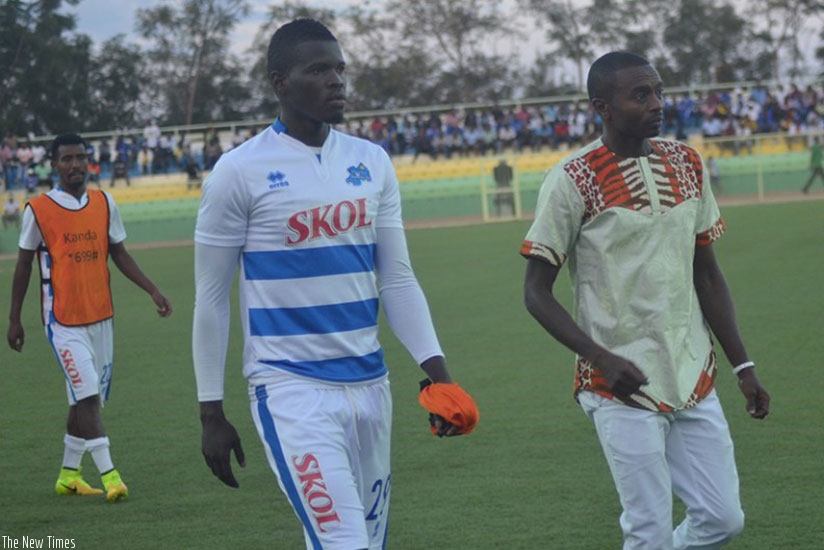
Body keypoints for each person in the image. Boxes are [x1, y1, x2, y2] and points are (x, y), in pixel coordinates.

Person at [192, 18, 477, 550]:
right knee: (345, 543)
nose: (336, 80)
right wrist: (211, 411)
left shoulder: (371, 162)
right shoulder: (238, 171)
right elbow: (210, 298)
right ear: (279, 81)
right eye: (318, 69)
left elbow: (396, 276)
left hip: (372, 387)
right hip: (289, 389)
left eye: (340, 69)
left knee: (364, 541)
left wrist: (440, 375)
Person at [521, 52, 770, 549]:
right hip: (619, 383)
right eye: (641, 95)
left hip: (692, 371)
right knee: (648, 529)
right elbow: (535, 292)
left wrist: (743, 366)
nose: (657, 103)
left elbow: (709, 276)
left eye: (658, 91)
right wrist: (601, 358)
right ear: (602, 107)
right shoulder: (572, 179)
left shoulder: (687, 162)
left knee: (724, 519)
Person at [6, 133, 172, 502]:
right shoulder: (38, 209)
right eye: (66, 159)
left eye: (81, 157)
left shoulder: (104, 202)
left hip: (102, 317)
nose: (75, 164)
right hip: (62, 321)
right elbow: (22, 267)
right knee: (89, 396)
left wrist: (152, 289)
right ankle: (111, 476)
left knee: (81, 399)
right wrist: (14, 319)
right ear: (53, 164)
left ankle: (68, 475)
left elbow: (120, 253)